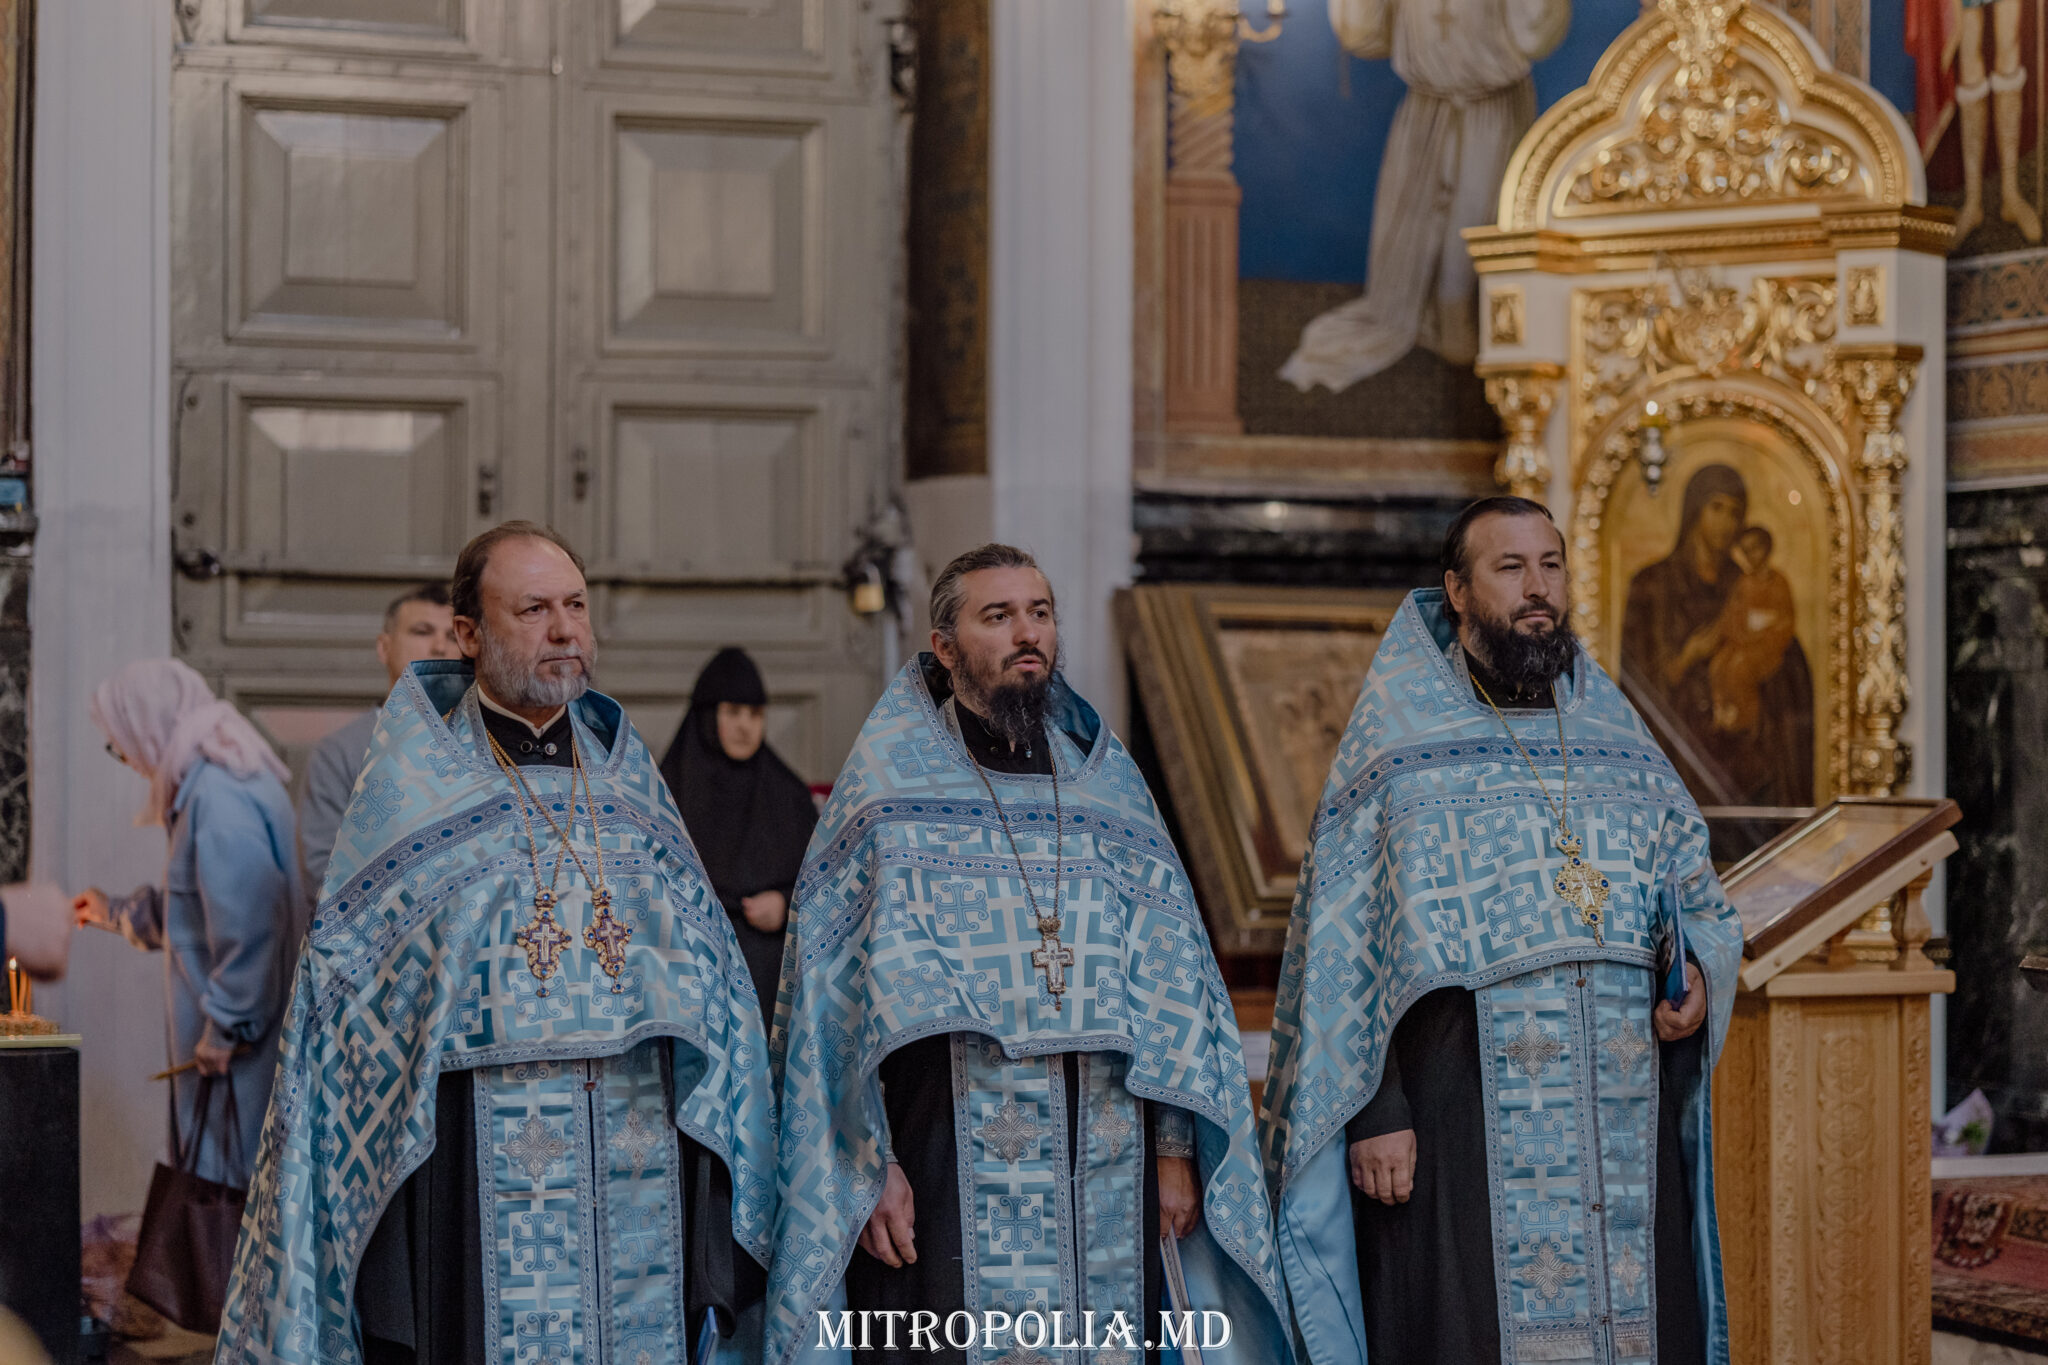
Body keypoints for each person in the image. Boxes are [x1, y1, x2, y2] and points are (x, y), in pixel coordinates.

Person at [214, 522, 777, 1365]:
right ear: (468, 634)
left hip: (638, 1152)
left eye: (577, 606)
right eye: (535, 609)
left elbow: (713, 979)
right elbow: (350, 996)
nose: (565, 630)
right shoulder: (414, 788)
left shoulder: (629, 784)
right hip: (472, 1159)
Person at [765, 544, 1288, 1365]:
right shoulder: (888, 792)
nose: (1027, 633)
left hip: (1109, 1153)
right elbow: (832, 1009)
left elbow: (1172, 982)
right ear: (944, 647)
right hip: (945, 1153)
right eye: (999, 615)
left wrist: (1175, 1152)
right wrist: (869, 1164)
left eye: (1039, 613)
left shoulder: (1107, 788)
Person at [1258, 497, 1745, 1365]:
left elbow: (1694, 896)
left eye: (1550, 565)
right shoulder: (1400, 743)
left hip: (1619, 1121)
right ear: (1457, 590)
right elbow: (1344, 947)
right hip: (1459, 1121)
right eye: (1511, 567)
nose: (1537, 588)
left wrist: (1697, 977)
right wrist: (1375, 1110)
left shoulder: (1615, 733)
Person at [72, 659, 302, 1186]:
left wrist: (225, 1027)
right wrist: (112, 912)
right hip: (236, 1044)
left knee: (224, 1198)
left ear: (148, 728)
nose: (128, 759)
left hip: (238, 1054)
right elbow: (195, 912)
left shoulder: (218, 796)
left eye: (120, 744)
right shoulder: (211, 779)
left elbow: (251, 926)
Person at [1279, 0, 1570, 392]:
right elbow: (1364, 33)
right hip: (1425, 108)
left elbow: (1534, 33)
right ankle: (1422, 311)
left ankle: (1459, 314)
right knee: (1413, 223)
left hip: (1492, 106)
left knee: (1476, 217)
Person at [1619, 464, 1814, 807]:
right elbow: (1633, 684)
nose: (1726, 522)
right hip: (1677, 765)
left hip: (1743, 768)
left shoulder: (1747, 585)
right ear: (1694, 509)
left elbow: (1788, 660)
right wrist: (1687, 658)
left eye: (1735, 513)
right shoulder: (1654, 585)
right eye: (1717, 508)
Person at [659, 646, 817, 1023]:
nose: (746, 726)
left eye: (755, 714)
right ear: (708, 715)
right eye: (733, 712)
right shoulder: (667, 796)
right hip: (687, 975)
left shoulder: (788, 794)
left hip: (771, 986)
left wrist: (785, 906)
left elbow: (824, 883)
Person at [296, 583, 459, 907]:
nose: (440, 646)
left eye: (453, 637)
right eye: (422, 632)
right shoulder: (339, 754)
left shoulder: (486, 744)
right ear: (384, 648)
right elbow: (322, 875)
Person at [1707, 526, 1796, 734]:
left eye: (1755, 548)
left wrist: (1764, 631)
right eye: (1746, 550)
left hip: (1766, 645)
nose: (1751, 555)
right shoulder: (1744, 582)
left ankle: (1744, 720)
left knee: (1739, 668)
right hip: (1742, 640)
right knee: (1717, 665)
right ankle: (1723, 713)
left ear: (1767, 549)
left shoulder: (1778, 582)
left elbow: (1785, 619)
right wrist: (1737, 630)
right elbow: (1732, 612)